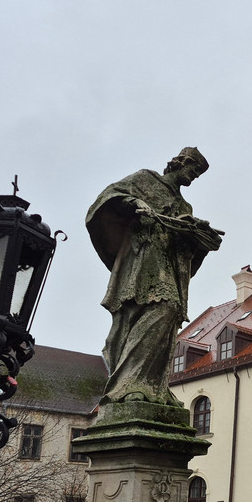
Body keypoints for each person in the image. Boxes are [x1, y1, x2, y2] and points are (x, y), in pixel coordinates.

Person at [85, 147, 222, 406]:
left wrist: (200, 239)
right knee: (162, 308)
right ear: (180, 163)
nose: (193, 177)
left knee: (170, 318)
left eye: (197, 175)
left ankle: (155, 387)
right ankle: (129, 383)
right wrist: (135, 203)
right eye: (192, 170)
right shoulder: (146, 179)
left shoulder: (185, 205)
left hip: (169, 265)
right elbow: (108, 197)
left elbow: (186, 254)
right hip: (143, 258)